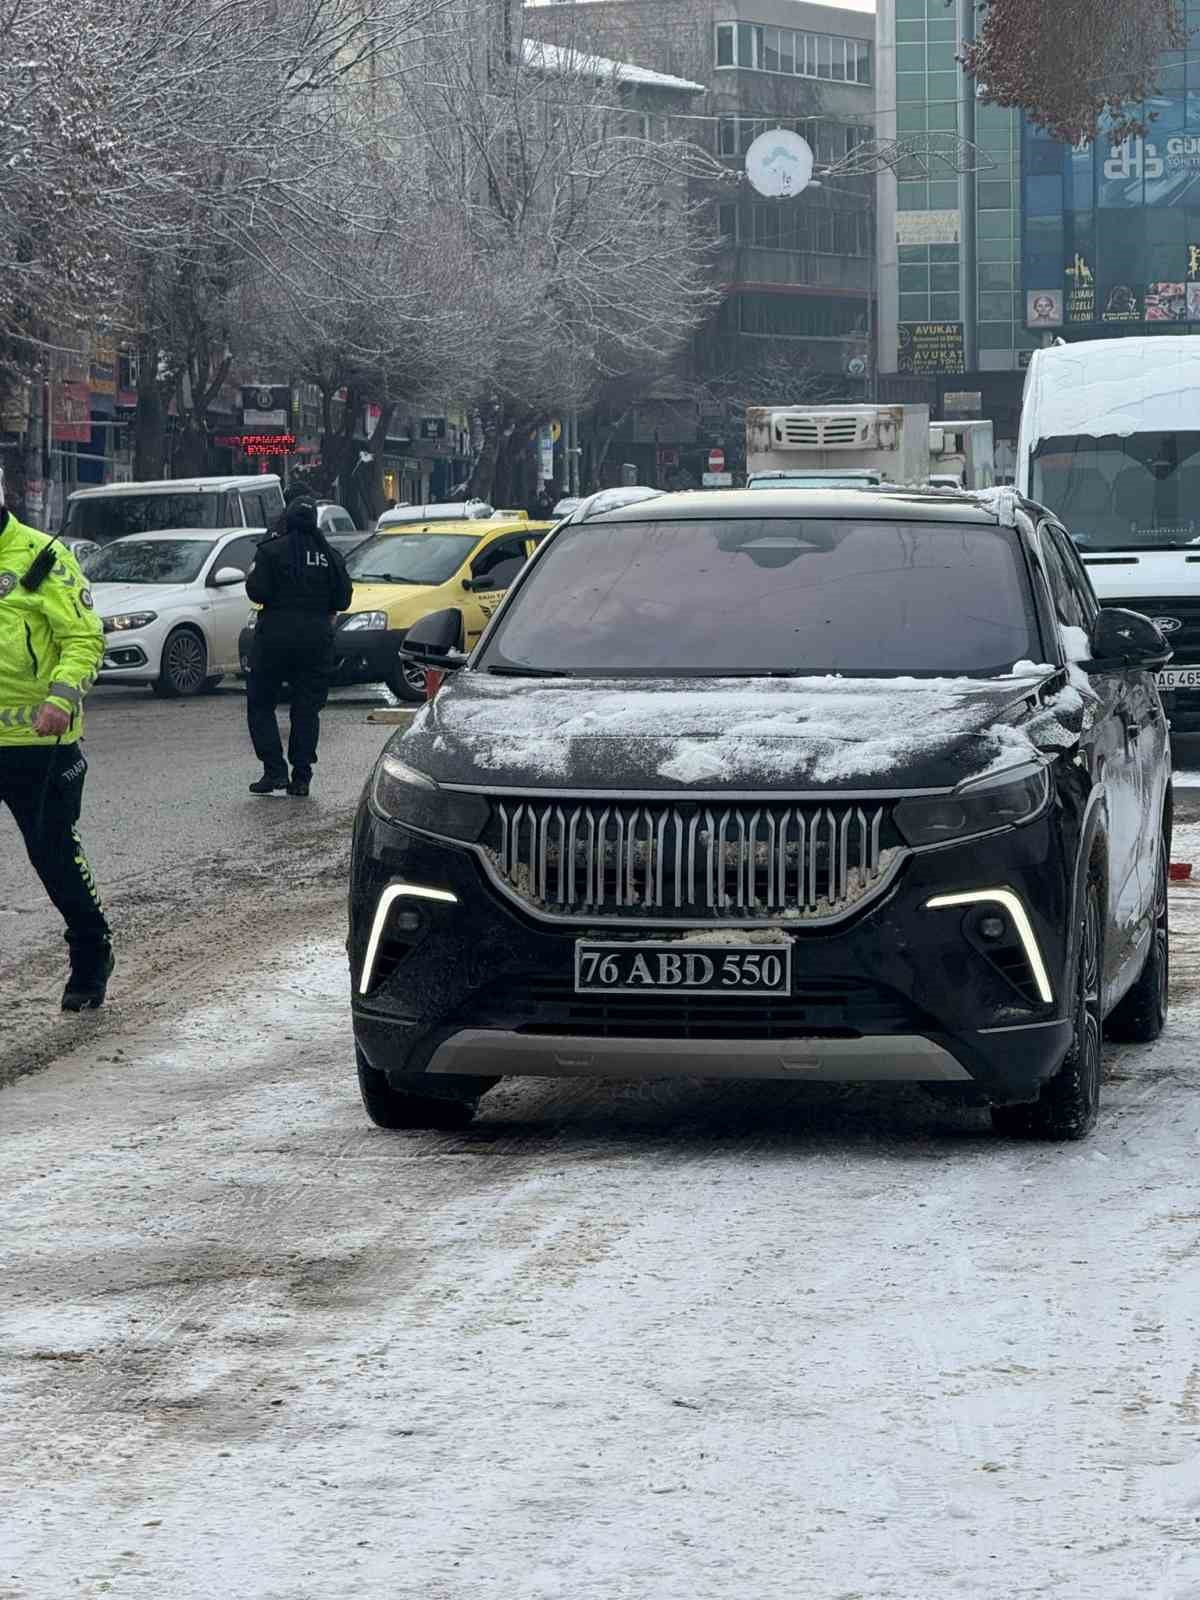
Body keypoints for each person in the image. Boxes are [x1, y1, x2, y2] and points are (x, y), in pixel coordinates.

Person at [0, 478, 112, 1009]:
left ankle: (92, 953)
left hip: (38, 742)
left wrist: (61, 700)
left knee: (52, 854)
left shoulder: (41, 555)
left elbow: (84, 636)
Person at [244, 496, 352, 797]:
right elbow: (343, 600)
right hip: (317, 640)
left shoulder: (271, 550)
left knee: (261, 703)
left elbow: (257, 590)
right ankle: (301, 777)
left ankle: (274, 771)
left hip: (274, 639)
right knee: (306, 710)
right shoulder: (330, 555)